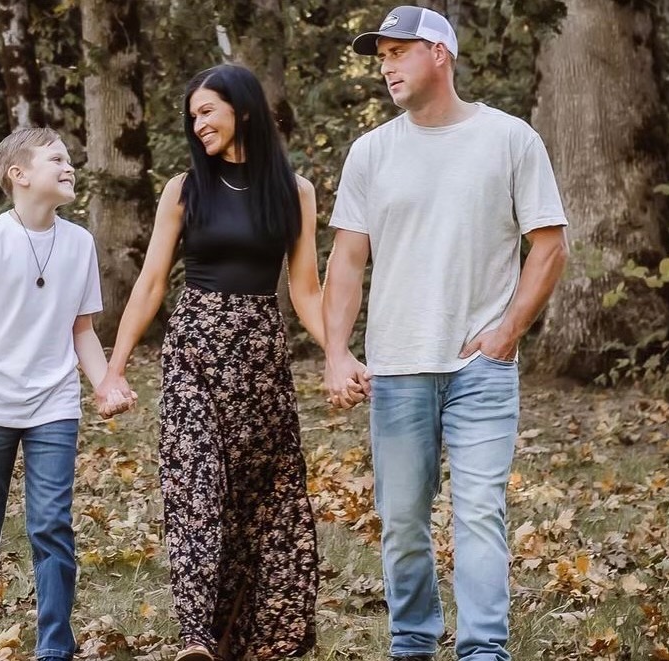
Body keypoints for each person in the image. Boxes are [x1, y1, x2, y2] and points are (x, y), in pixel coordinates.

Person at [322, 6, 570, 661]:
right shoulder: (371, 152)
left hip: (480, 369)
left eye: (397, 53)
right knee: (402, 518)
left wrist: (507, 333)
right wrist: (337, 352)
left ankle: (484, 649)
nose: (386, 68)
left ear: (439, 53)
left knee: (480, 510)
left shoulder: (509, 139)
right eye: (381, 57)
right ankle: (412, 641)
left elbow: (549, 246)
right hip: (397, 367)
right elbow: (346, 261)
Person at [94, 64, 323, 661]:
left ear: (241, 109)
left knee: (254, 501)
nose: (197, 125)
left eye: (206, 111)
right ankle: (195, 636)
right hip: (193, 351)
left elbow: (305, 290)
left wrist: (341, 354)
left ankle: (242, 638)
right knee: (196, 485)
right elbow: (151, 283)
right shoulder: (184, 188)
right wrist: (115, 367)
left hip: (260, 359)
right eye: (192, 116)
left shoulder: (295, 191)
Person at [0, 126, 135, 661]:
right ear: (18, 174)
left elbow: (81, 329)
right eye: (57, 160)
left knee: (51, 526)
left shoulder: (80, 243)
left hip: (54, 405)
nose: (69, 167)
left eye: (70, 160)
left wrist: (105, 384)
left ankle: (54, 649)